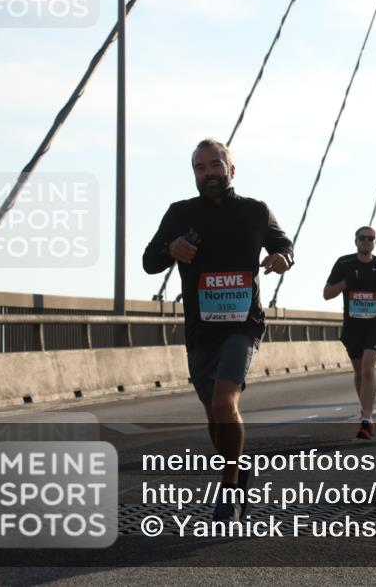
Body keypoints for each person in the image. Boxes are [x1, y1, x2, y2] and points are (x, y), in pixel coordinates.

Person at [143, 138, 293, 522]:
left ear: (231, 168)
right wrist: (170, 249)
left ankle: (227, 487)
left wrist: (281, 257)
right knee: (213, 412)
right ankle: (239, 468)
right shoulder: (180, 213)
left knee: (226, 402)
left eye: (214, 165)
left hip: (243, 323)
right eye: (199, 167)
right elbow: (149, 261)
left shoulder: (255, 211)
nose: (208, 173)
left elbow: (283, 244)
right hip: (200, 325)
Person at [323, 226, 376, 440]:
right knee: (359, 372)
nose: (366, 241)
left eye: (370, 238)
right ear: (355, 241)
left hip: (375, 324)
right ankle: (365, 410)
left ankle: (367, 419)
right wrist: (347, 282)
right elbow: (327, 294)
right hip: (352, 326)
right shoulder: (344, 263)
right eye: (362, 238)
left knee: (368, 369)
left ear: (375, 242)